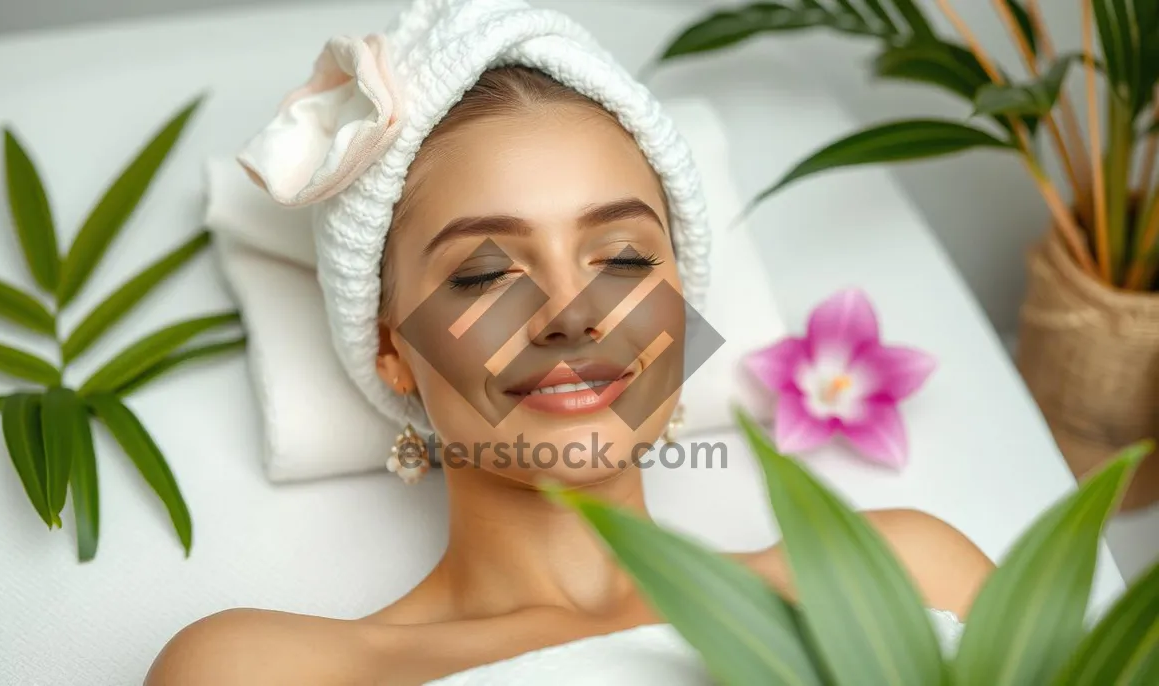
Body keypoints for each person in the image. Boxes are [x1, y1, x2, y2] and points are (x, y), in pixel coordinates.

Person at [146, 1, 993, 683]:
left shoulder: (908, 576)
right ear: (393, 347)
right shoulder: (264, 671)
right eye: (484, 275)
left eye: (623, 259)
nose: (571, 314)